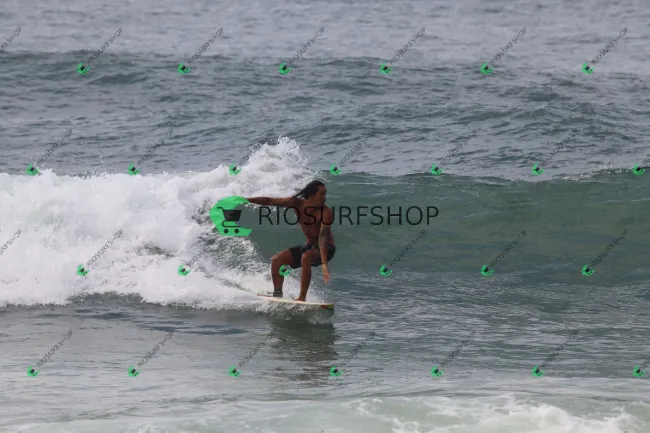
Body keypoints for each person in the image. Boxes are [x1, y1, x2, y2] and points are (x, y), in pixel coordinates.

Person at [246, 180, 335, 301]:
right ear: (311, 194)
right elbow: (270, 201)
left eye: (325, 194)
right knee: (277, 260)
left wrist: (324, 263)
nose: (324, 198)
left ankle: (302, 297)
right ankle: (277, 294)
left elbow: (323, 237)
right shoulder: (297, 203)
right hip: (310, 246)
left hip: (327, 248)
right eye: (322, 194)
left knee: (306, 257)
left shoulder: (326, 212)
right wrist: (247, 200)